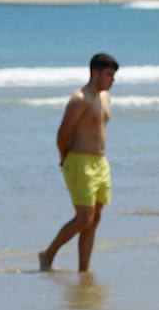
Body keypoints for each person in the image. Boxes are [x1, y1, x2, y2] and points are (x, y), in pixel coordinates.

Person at [38, 53, 117, 272]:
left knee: (95, 219)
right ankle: (48, 254)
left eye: (113, 76)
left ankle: (84, 269)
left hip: (101, 163)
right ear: (96, 73)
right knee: (84, 218)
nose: (112, 80)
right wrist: (65, 157)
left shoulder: (105, 97)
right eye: (109, 75)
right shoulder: (80, 98)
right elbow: (63, 134)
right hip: (79, 162)